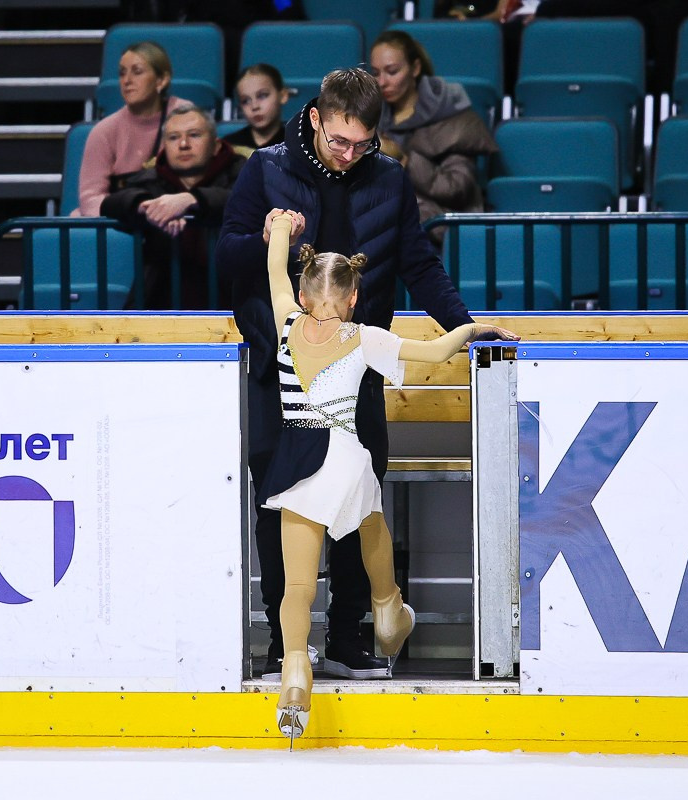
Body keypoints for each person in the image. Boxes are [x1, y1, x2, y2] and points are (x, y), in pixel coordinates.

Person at [216, 67, 517, 684]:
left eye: (363, 144)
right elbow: (225, 256)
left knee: (358, 503)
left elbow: (418, 264)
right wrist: (275, 238)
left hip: (357, 378)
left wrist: (464, 325)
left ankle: (351, 637)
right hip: (282, 377)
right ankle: (284, 640)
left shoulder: (388, 178)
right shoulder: (266, 167)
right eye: (339, 142)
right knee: (281, 509)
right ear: (318, 118)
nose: (350, 155)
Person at [261, 212, 509, 741]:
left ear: (306, 295)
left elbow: (273, 275)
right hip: (347, 455)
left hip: (300, 459)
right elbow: (439, 351)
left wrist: (281, 228)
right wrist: (475, 328)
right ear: (353, 298)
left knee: (299, 586)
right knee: (370, 524)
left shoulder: (286, 323)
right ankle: (389, 609)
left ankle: (294, 673)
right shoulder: (364, 336)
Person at [101, 105, 245, 308]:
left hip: (233, 300)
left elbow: (248, 199)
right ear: (164, 147)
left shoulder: (244, 170)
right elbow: (110, 203)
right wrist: (147, 206)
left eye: (194, 135)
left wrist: (191, 200)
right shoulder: (151, 178)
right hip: (160, 300)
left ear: (216, 146)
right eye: (173, 137)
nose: (183, 144)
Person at [370, 30, 497, 236]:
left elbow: (457, 188)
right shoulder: (371, 117)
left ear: (415, 68)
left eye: (392, 71)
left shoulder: (451, 118)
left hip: (436, 231)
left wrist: (405, 159)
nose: (382, 82)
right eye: (376, 73)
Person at [72, 41, 188, 218]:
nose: (127, 81)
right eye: (122, 73)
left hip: (175, 216)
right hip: (121, 220)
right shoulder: (104, 131)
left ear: (161, 80)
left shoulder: (185, 116)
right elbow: (91, 198)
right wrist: (135, 212)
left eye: (137, 71)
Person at [223, 64, 292, 155]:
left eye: (262, 95)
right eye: (245, 101)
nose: (254, 106)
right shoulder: (229, 147)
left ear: (283, 95)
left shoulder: (298, 144)